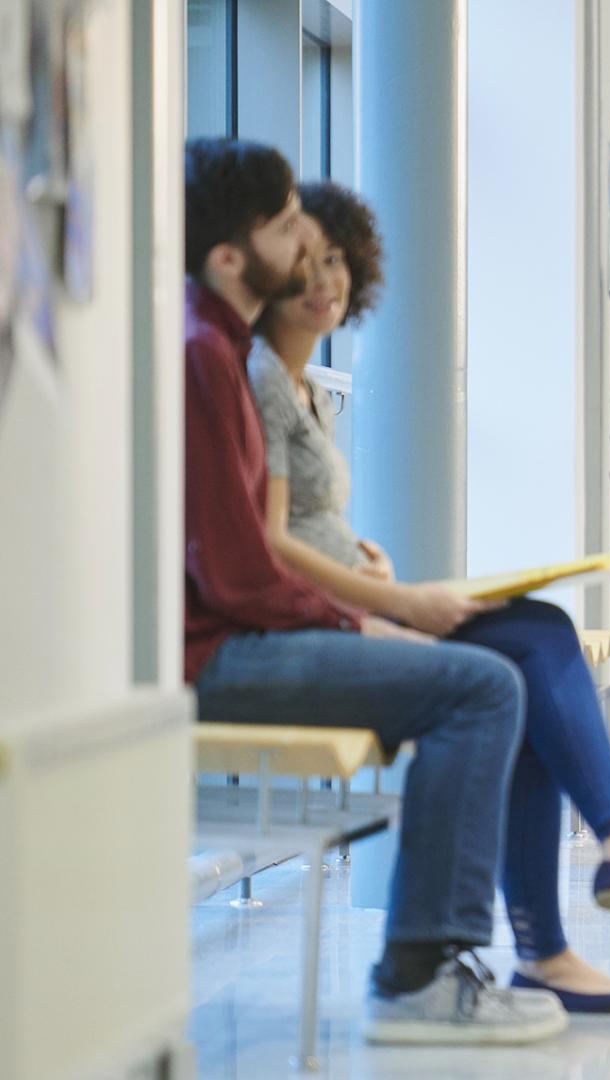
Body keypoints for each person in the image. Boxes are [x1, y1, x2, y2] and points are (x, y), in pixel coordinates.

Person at [248, 180, 610, 1013]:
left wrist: (364, 556)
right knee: (523, 656)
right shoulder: (265, 379)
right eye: (304, 264)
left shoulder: (305, 387)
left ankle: (562, 933)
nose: (325, 281)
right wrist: (394, 605)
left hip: (356, 608)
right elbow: (264, 543)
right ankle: (603, 868)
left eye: (337, 261)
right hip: (333, 630)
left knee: (540, 632)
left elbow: (296, 526)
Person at [182, 137, 561, 1044]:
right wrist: (362, 621)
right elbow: (236, 571)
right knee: (482, 687)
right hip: (222, 658)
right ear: (233, 258)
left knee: (511, 662)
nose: (306, 244)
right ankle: (421, 976)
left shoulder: (223, 351)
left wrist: (361, 612)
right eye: (285, 229)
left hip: (243, 638)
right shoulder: (208, 356)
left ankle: (448, 958)